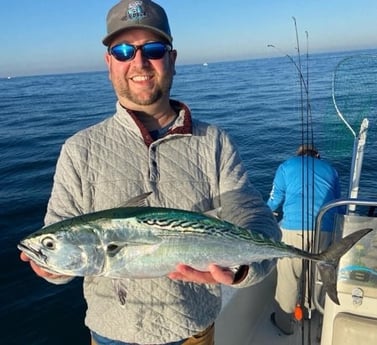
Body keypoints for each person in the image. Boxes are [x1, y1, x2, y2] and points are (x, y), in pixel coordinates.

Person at [20, 1, 281, 344]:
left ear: (172, 58)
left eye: (153, 50)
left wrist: (242, 269)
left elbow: (254, 217)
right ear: (109, 62)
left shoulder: (213, 142)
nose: (139, 63)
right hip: (113, 333)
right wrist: (51, 266)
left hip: (193, 330)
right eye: (124, 51)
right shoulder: (79, 150)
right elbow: (64, 239)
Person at [267, 144, 341, 335]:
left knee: (289, 276)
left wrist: (264, 221)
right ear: (318, 155)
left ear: (298, 154)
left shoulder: (286, 166)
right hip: (324, 229)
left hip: (293, 230)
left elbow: (274, 201)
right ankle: (309, 312)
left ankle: (284, 323)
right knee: (315, 274)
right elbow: (339, 206)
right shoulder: (331, 170)